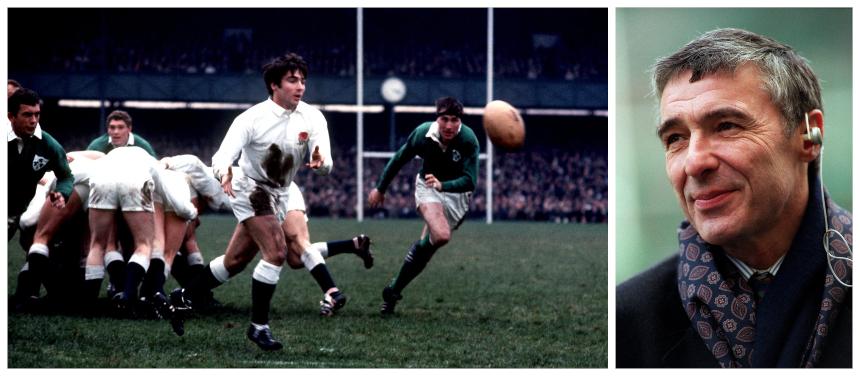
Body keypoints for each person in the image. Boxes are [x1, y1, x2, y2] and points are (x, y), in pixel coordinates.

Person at [616, 28, 852, 368]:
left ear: (808, 135)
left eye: (727, 126)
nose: (695, 162)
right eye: (676, 138)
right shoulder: (629, 320)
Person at [172, 53, 348, 350]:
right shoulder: (251, 119)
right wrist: (224, 172)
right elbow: (221, 157)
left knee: (235, 262)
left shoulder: (313, 117)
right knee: (277, 251)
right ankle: (259, 327)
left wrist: (322, 162)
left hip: (281, 192)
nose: (300, 86)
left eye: (303, 80)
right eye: (292, 80)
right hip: (250, 188)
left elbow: (325, 160)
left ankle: (181, 297)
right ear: (273, 85)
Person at [368, 96, 480, 315]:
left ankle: (393, 291)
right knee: (441, 235)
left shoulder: (468, 140)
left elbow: (470, 181)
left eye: (454, 120)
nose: (449, 125)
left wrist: (444, 185)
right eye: (444, 119)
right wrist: (380, 188)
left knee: (426, 250)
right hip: (427, 186)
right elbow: (399, 158)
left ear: (460, 121)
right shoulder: (422, 134)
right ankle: (396, 287)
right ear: (437, 118)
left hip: (457, 194)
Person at [8, 88, 75, 308]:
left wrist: (63, 194)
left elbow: (66, 176)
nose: (34, 120)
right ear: (11, 116)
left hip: (22, 208)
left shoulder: (48, 144)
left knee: (35, 243)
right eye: (27, 115)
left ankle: (37, 294)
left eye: (37, 114)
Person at [87, 109, 156, 157]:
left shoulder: (142, 145)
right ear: (108, 129)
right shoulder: (96, 146)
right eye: (112, 127)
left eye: (121, 127)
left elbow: (156, 168)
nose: (116, 132)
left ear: (129, 129)